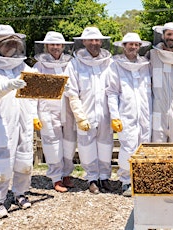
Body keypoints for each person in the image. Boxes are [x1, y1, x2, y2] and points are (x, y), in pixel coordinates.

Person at [0, 25, 35, 218]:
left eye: (13, 42)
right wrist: (7, 85)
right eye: (6, 42)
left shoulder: (21, 65)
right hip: (2, 121)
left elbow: (34, 88)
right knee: (2, 161)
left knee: (25, 157)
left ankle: (20, 192)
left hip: (24, 120)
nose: (10, 46)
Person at [64, 27, 113, 194]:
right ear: (84, 42)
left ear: (101, 42)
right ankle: (92, 178)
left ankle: (105, 177)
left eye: (97, 40)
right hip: (86, 113)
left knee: (106, 145)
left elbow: (114, 89)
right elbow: (72, 93)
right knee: (86, 147)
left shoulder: (109, 63)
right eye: (90, 40)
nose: (94, 43)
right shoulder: (74, 64)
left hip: (105, 113)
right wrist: (80, 116)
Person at [106, 33, 152, 197]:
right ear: (124, 46)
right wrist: (115, 116)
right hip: (126, 113)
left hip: (145, 114)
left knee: (144, 146)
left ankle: (140, 179)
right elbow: (111, 92)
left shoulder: (145, 64)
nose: (133, 47)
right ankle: (126, 181)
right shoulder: (115, 65)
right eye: (130, 44)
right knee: (128, 147)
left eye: (136, 44)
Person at [33, 31, 76, 193]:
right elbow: (33, 91)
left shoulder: (70, 64)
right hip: (47, 110)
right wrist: (34, 115)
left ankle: (66, 174)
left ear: (63, 46)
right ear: (46, 46)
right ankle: (56, 177)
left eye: (58, 44)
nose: (55, 48)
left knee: (69, 144)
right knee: (52, 144)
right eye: (52, 44)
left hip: (67, 110)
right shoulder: (39, 66)